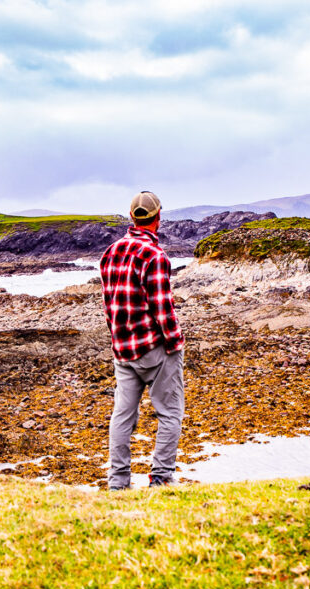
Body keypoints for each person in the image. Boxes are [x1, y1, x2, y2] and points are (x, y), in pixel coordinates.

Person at [99, 190, 185, 490]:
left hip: (122, 350)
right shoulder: (155, 256)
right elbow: (163, 308)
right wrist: (176, 343)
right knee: (170, 412)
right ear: (158, 217)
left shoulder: (110, 253)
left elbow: (109, 303)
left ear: (132, 217)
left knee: (122, 416)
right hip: (154, 349)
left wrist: (117, 343)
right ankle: (160, 477)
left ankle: (118, 482)